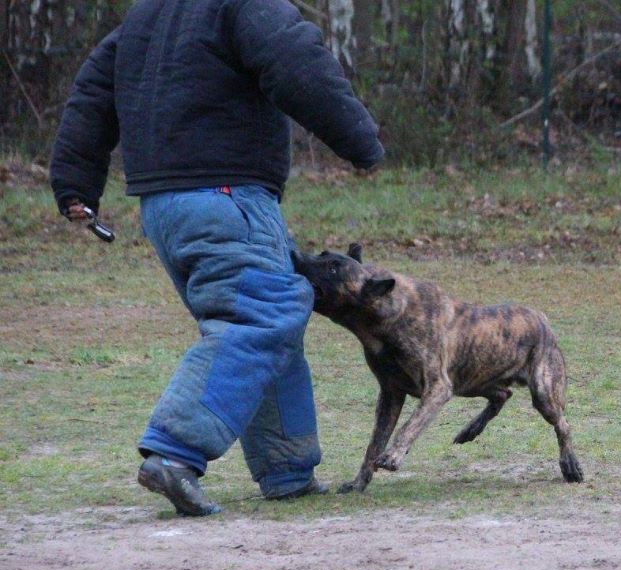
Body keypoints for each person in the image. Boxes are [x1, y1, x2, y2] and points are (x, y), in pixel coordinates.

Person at [50, 0, 383, 516]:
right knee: (261, 314)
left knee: (271, 321)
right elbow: (297, 61)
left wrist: (75, 184)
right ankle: (175, 453)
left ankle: (287, 469)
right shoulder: (243, 5)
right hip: (226, 196)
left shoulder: (145, 17)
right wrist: (359, 139)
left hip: (163, 208)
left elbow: (93, 92)